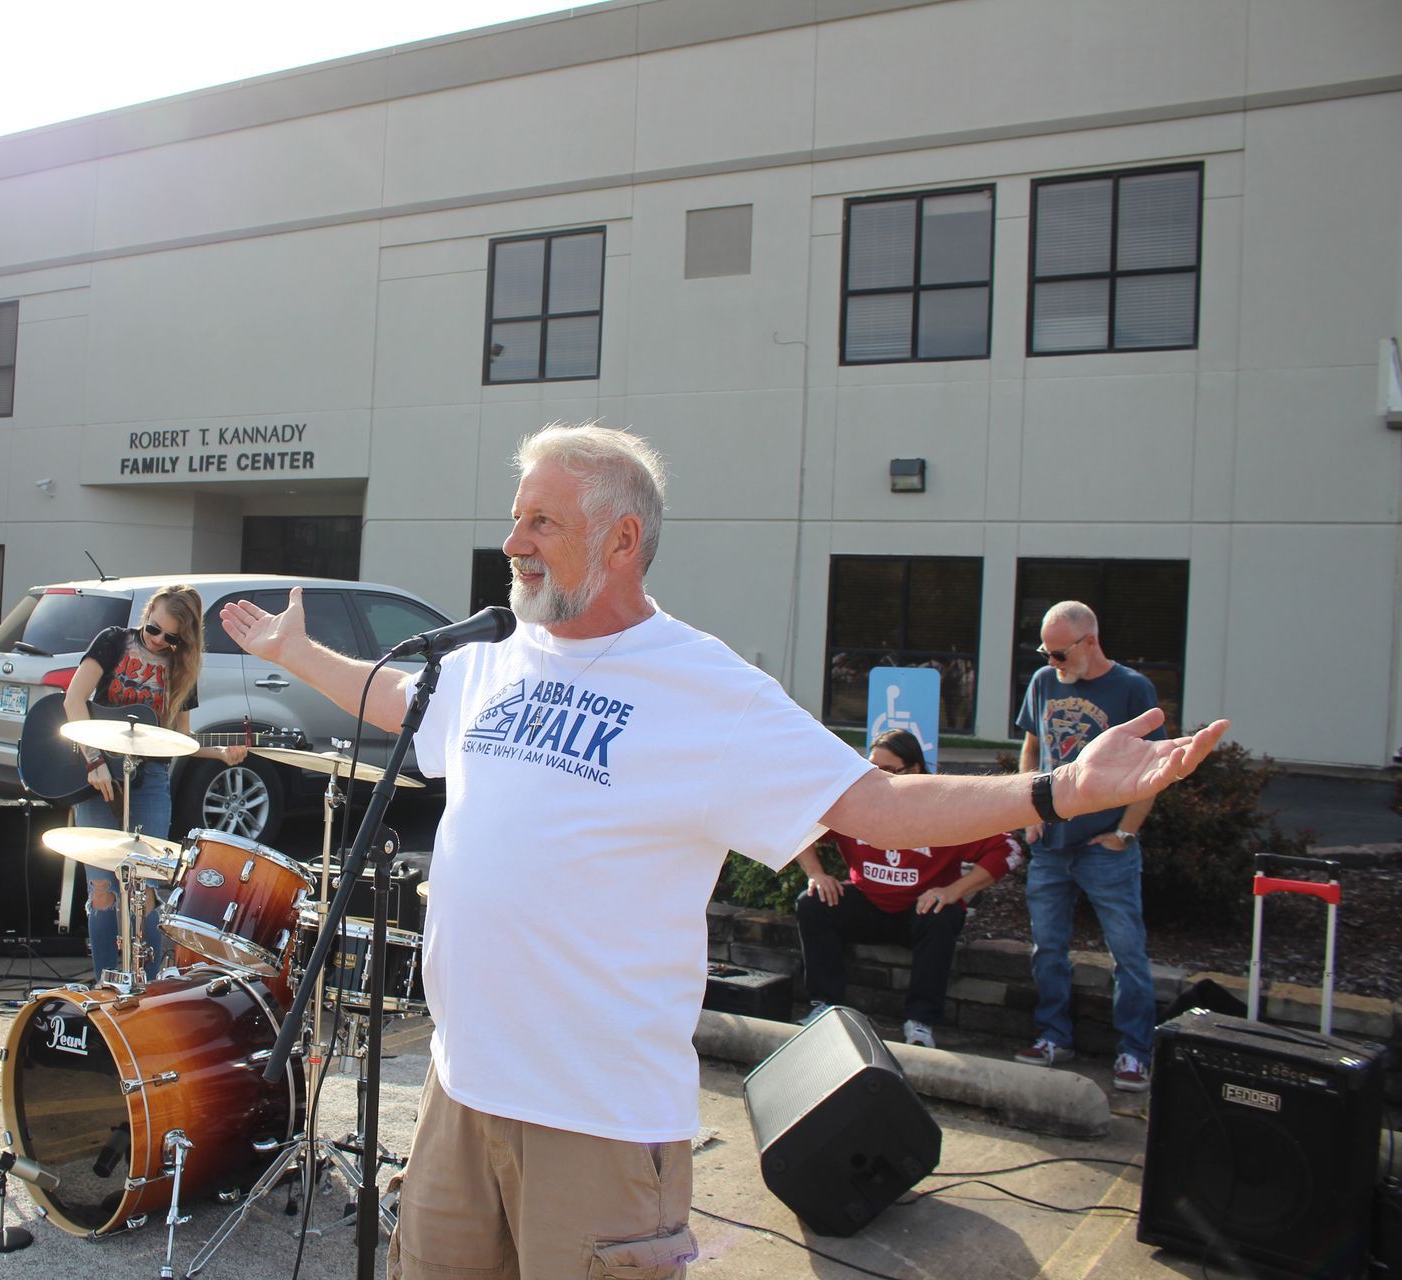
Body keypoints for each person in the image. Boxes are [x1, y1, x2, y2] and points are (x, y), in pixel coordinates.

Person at [222, 422, 1226, 1279]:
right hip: (459, 1094)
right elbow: (396, 699)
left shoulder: (704, 686)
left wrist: (1057, 789)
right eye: (517, 515)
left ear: (622, 539)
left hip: (598, 1125)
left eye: (541, 521)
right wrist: (290, 651)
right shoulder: (489, 660)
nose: (511, 540)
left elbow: (873, 800)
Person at [1013, 600, 1165, 1091]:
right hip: (1051, 842)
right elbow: (1033, 747)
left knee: (1127, 951)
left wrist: (1124, 834)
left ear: (1090, 641)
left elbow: (1152, 772)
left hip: (1105, 847)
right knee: (1048, 949)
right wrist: (1026, 808)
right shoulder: (1042, 683)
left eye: (1060, 653)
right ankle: (1053, 1036)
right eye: (1046, 652)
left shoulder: (1132, 688)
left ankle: (1135, 1052)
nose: (1052, 663)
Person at [793, 729, 1025, 1049]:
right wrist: (816, 873)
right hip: (869, 903)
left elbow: (1008, 849)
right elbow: (798, 825)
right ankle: (825, 1007)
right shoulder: (855, 802)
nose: (877, 778)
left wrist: (955, 891)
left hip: (921, 909)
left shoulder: (944, 808)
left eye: (888, 771)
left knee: (942, 915)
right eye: (870, 768)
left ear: (914, 770)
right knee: (813, 903)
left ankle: (921, 1022)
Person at [63, 583, 246, 978]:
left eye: (171, 637)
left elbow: (181, 739)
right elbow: (73, 700)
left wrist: (220, 753)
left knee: (146, 887)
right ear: (145, 616)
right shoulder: (113, 642)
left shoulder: (182, 670)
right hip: (98, 775)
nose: (159, 640)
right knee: (102, 889)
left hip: (149, 778)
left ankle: (144, 984)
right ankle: (104, 982)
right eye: (153, 629)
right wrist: (93, 760)